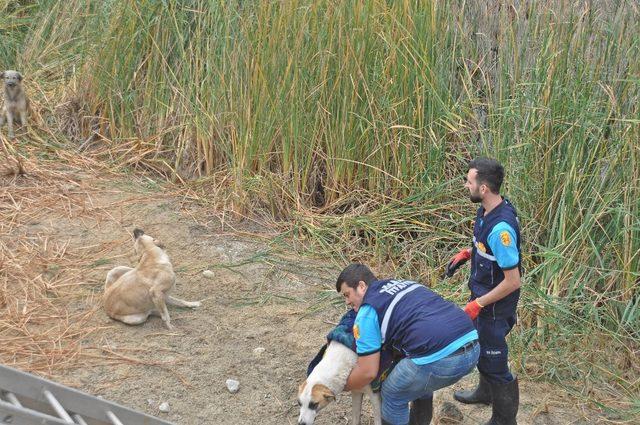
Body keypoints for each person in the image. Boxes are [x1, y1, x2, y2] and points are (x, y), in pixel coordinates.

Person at [338, 263, 479, 425]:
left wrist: (340, 385)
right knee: (414, 383)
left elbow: (367, 372)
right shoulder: (404, 284)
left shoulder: (367, 312)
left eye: (347, 294)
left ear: (361, 286)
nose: (347, 302)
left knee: (392, 393)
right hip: (473, 345)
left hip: (443, 359)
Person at [444, 157, 522, 425]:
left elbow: (513, 281)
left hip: (495, 306)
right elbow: (487, 247)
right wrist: (467, 253)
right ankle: (484, 392)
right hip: (482, 294)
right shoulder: (486, 209)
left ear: (484, 188)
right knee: (481, 348)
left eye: (469, 181)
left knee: (495, 362)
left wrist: (478, 304)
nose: (466, 185)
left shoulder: (502, 228)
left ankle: (504, 419)